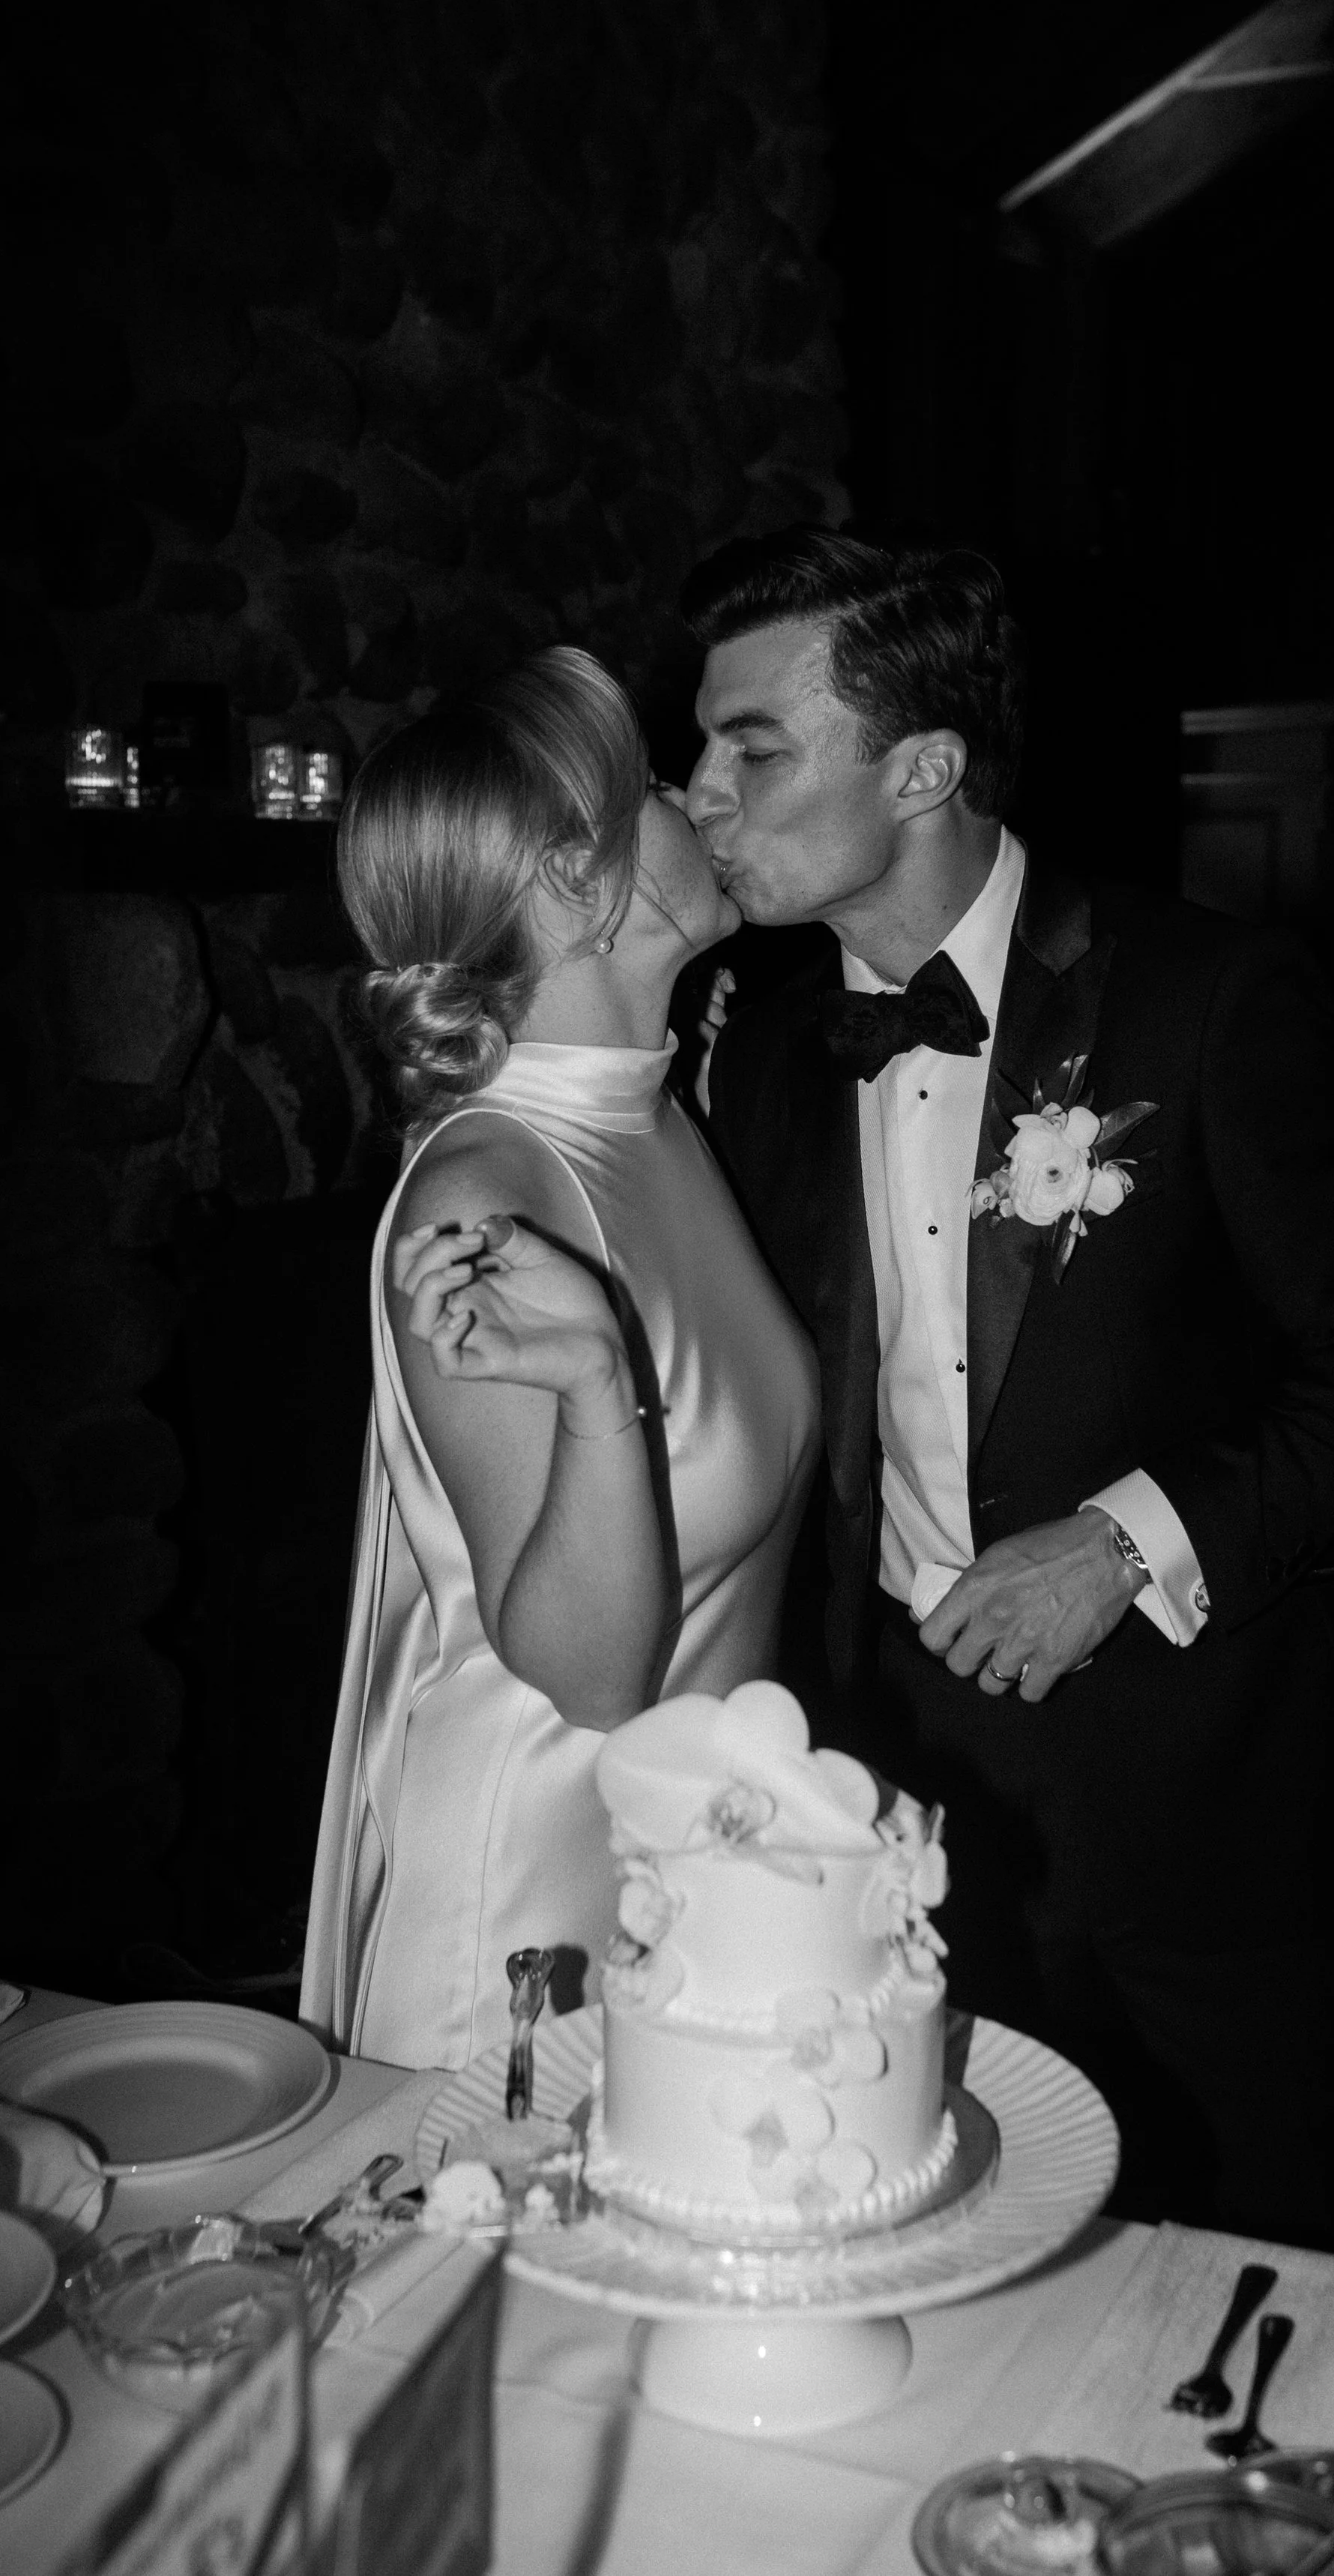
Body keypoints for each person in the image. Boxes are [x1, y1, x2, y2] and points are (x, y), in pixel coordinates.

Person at [680, 526, 1334, 2261]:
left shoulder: (1215, 998)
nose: (699, 790)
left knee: (1302, 2289)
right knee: (989, 2266)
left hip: (1237, 1810)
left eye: (749, 746)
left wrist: (1123, 1544)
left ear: (921, 766)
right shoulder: (759, 1047)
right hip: (924, 1812)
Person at [301, 648, 820, 2068]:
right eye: (655, 780)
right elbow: (589, 1673)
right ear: (576, 880)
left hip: (695, 1878)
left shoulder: (656, 1121)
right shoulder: (489, 1197)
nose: (697, 794)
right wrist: (603, 1387)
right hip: (536, 1933)